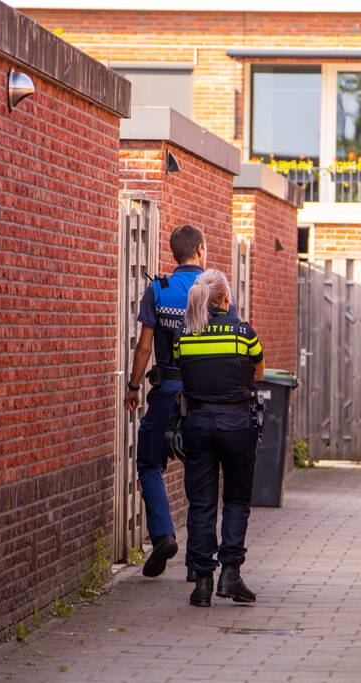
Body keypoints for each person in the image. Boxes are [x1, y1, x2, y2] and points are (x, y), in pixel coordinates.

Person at [125, 224, 219, 579]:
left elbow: (144, 346)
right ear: (200, 248)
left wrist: (134, 386)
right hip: (203, 396)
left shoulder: (159, 290)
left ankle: (163, 535)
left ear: (173, 253)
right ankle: (198, 562)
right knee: (201, 473)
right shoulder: (214, 290)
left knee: (150, 464)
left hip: (166, 392)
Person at [172, 269, 264, 607]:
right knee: (236, 499)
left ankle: (201, 583)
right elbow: (258, 372)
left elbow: (183, 371)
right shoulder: (244, 334)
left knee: (201, 503)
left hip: (197, 423)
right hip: (237, 424)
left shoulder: (184, 336)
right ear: (226, 298)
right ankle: (231, 574)